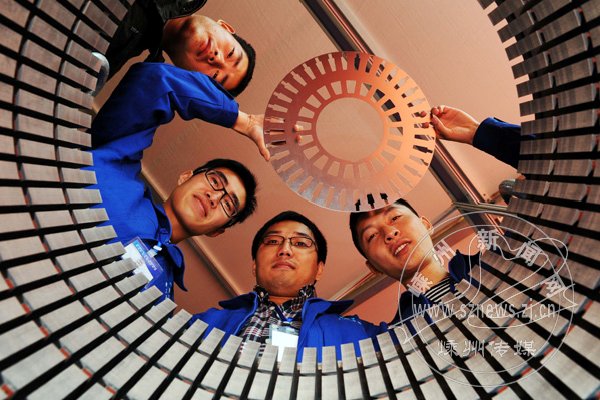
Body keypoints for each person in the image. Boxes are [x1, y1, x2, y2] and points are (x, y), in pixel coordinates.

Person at [89, 61, 270, 302]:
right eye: (215, 181)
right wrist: (242, 121)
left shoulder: (164, 298)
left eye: (228, 205)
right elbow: (155, 80)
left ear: (216, 231)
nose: (215, 197)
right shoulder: (116, 167)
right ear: (186, 176)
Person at [348, 105, 522, 323]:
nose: (390, 233)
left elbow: (557, 164)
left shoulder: (502, 262)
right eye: (371, 236)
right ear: (373, 267)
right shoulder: (397, 337)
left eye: (395, 218)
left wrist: (478, 132)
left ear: (426, 224)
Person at [190, 211, 389, 361]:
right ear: (254, 264)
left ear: (319, 269)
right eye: (272, 241)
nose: (285, 249)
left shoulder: (360, 333)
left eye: (301, 243)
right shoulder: (204, 322)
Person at [105, 1, 256, 97]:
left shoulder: (107, 58)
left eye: (215, 75)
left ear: (191, 80)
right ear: (225, 27)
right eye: (230, 53)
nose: (217, 59)